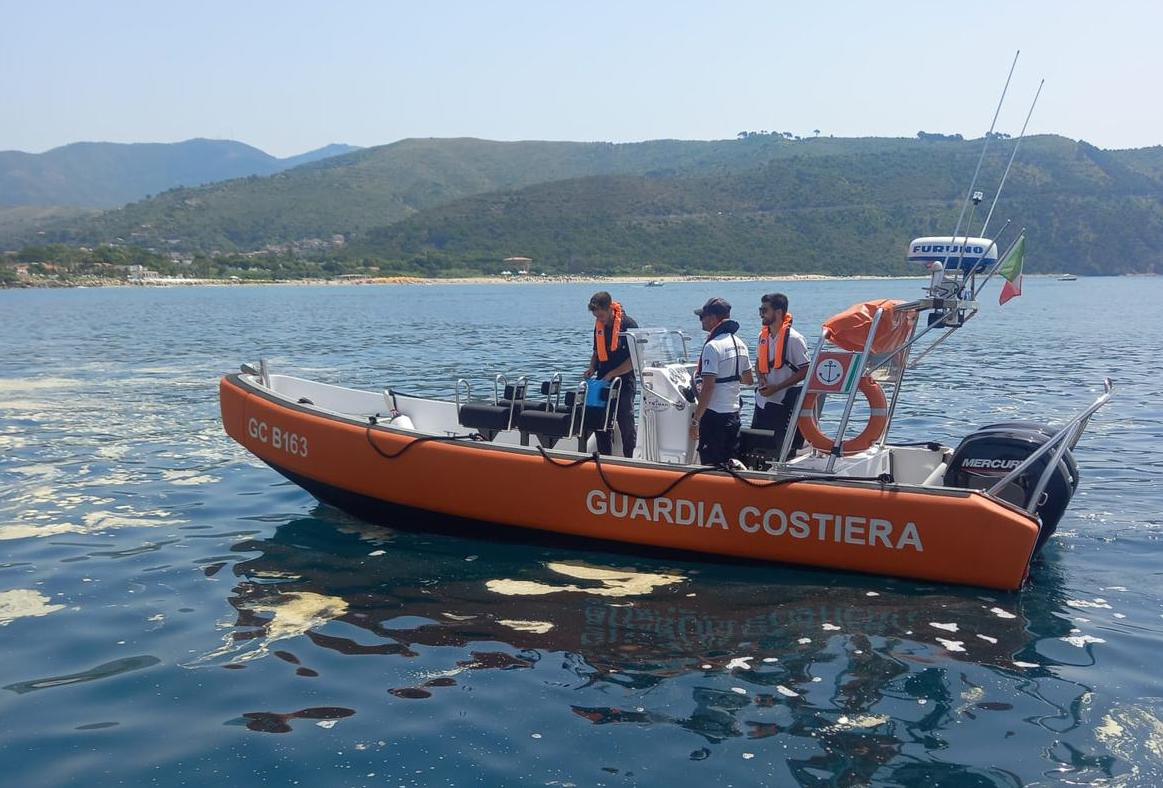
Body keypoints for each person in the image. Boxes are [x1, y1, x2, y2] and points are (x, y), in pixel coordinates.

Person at [689, 297, 753, 465]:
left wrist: (696, 420)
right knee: (730, 463)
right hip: (733, 415)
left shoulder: (713, 346)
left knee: (710, 466)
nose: (701, 321)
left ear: (712, 318)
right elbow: (748, 379)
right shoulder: (741, 344)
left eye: (702, 317)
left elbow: (708, 388)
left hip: (714, 417)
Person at [752, 292, 809, 457]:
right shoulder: (762, 337)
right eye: (760, 309)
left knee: (780, 448)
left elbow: (806, 369)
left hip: (782, 402)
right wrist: (761, 379)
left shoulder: (794, 339)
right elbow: (758, 363)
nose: (761, 314)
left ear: (778, 312)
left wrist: (777, 387)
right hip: (762, 401)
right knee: (758, 446)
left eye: (764, 310)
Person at [583, 291, 639, 457]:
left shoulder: (628, 324)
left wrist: (613, 374)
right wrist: (591, 368)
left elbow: (633, 360)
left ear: (609, 309)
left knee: (625, 421)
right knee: (599, 420)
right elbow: (596, 351)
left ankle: (630, 458)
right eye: (595, 315)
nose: (598, 318)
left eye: (600, 314)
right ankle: (605, 456)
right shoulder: (598, 326)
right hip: (603, 379)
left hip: (624, 381)